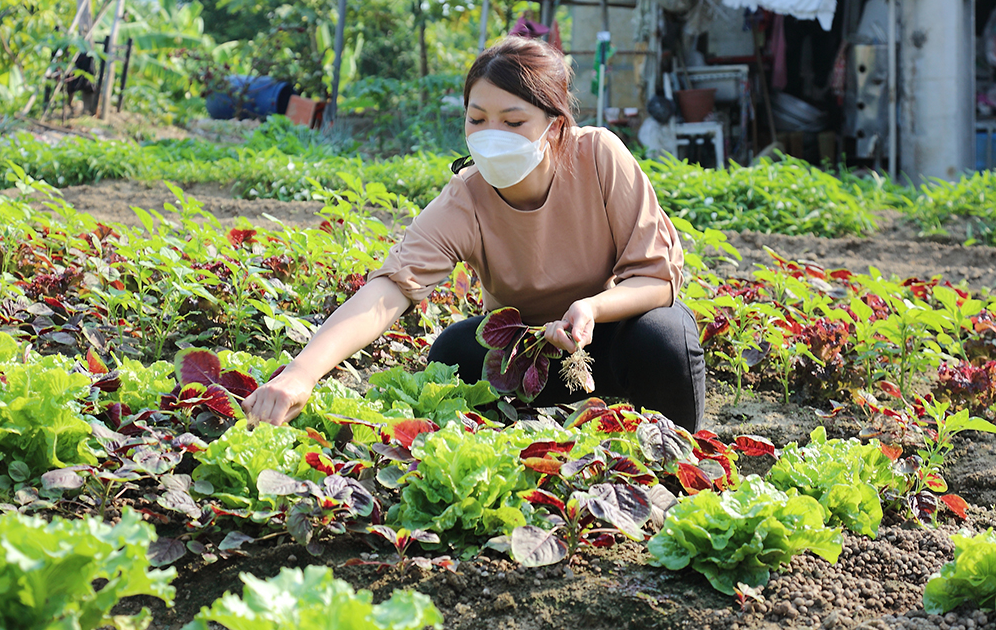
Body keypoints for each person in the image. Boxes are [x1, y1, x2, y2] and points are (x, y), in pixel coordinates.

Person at [243, 36, 705, 432]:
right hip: (527, 356)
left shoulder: (599, 156)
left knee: (665, 336)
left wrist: (591, 308)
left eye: (513, 122)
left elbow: (656, 279)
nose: (491, 135)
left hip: (607, 339)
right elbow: (390, 289)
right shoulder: (467, 195)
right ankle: (512, 447)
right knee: (453, 353)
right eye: (477, 119)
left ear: (555, 125)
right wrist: (301, 373)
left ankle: (674, 456)